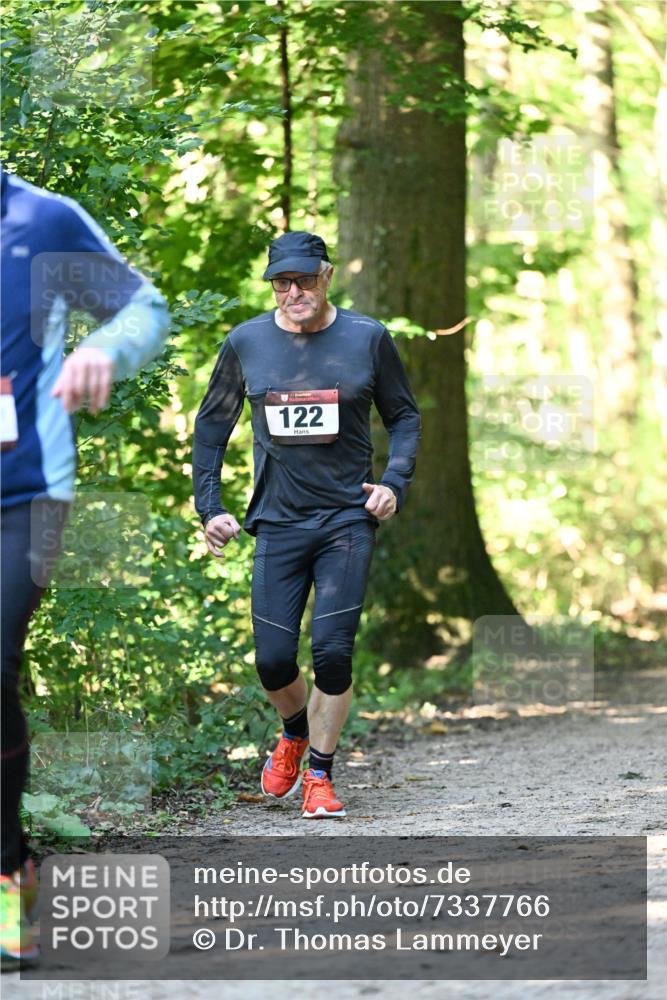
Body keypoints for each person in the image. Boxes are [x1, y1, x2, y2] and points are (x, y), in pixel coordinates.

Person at [0, 169, 170, 969]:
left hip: (24, 490)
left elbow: (143, 308)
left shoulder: (41, 219)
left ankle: (8, 877)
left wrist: (104, 346)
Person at [193, 231, 420, 820]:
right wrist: (210, 506)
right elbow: (211, 428)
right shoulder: (246, 342)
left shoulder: (367, 338)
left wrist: (392, 484)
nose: (293, 292)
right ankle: (294, 729)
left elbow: (404, 417)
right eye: (281, 282)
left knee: (333, 653)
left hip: (348, 517)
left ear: (327, 277)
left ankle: (320, 775)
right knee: (272, 659)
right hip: (277, 521)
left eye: (304, 279)